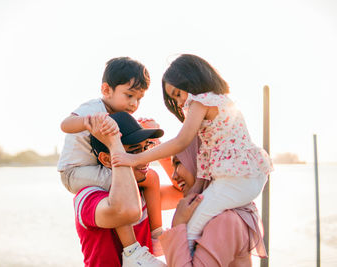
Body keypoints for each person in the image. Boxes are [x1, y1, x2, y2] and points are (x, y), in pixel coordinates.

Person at [112, 54, 273, 253]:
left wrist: (135, 158)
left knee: (190, 230)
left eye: (178, 94)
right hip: (248, 177)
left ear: (192, 80)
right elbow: (205, 160)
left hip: (236, 179)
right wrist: (197, 190)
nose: (179, 103)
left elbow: (181, 142)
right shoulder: (220, 103)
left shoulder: (201, 101)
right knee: (195, 219)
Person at [57, 57, 165, 261]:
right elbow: (65, 124)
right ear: (106, 90)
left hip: (95, 168)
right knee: (125, 187)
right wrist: (89, 122)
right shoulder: (94, 109)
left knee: (150, 178)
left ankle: (155, 233)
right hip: (75, 172)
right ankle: (133, 250)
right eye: (129, 95)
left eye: (139, 99)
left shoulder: (119, 114)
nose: (134, 104)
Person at [74, 112, 168, 266]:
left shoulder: (144, 191)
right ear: (106, 159)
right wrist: (114, 144)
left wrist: (159, 146)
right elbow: (125, 211)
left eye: (146, 147)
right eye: (135, 150)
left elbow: (180, 191)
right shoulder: (88, 197)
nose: (145, 158)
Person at [159, 137, 268, 266]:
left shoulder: (226, 220)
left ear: (201, 163)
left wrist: (178, 225)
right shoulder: (220, 211)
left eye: (178, 163)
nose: (174, 176)